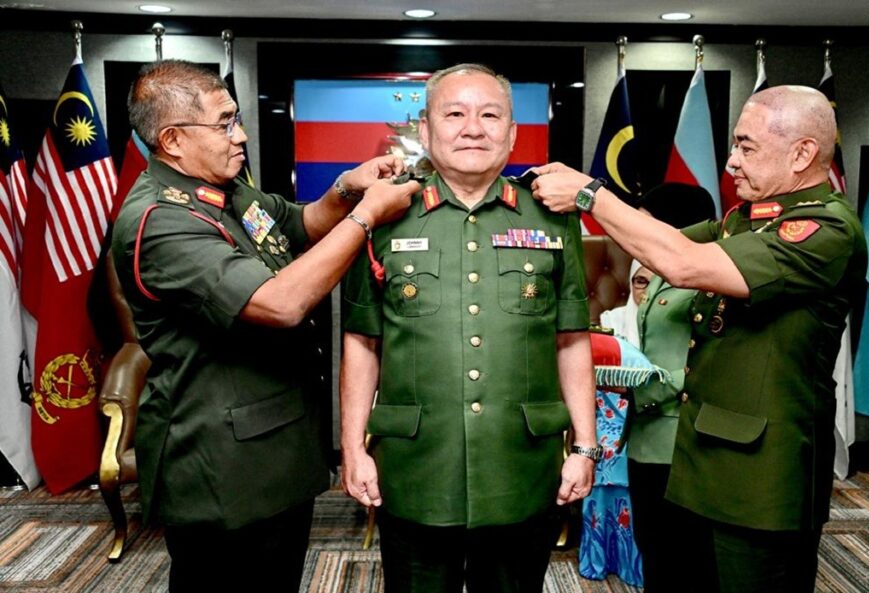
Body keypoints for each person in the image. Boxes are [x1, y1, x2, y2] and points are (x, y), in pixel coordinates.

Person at [531, 85, 867, 593]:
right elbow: (658, 240)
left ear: (802, 154)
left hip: (761, 486)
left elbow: (683, 263)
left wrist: (590, 194)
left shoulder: (826, 230)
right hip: (697, 468)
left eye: (746, 146)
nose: (731, 161)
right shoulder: (747, 219)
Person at [110, 60, 419, 593]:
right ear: (173, 140)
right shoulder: (161, 220)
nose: (241, 135)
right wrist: (366, 216)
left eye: (236, 120)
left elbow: (299, 224)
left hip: (275, 450)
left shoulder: (226, 191)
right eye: (224, 124)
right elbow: (280, 303)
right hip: (221, 467)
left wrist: (347, 189)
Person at [340, 63, 597, 593]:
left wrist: (584, 448)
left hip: (521, 468)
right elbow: (362, 341)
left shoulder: (553, 217)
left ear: (512, 133)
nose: (473, 129)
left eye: (490, 115)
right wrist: (353, 448)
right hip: (415, 468)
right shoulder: (385, 213)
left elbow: (571, 339)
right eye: (454, 114)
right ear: (426, 129)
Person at [624, 183, 718, 593]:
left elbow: (714, 362)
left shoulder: (709, 273)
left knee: (688, 557)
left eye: (646, 223)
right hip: (645, 435)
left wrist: (648, 386)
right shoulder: (659, 272)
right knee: (654, 548)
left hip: (683, 437)